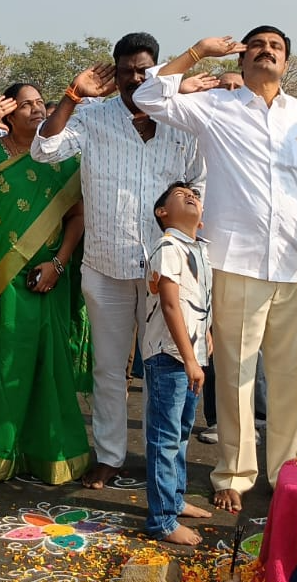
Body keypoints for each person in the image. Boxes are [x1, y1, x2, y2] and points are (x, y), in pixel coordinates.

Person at [134, 27, 297, 514]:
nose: (267, 51)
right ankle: (235, 473)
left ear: (287, 61)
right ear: (242, 57)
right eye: (257, 45)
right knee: (237, 375)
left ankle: (291, 471)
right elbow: (148, 94)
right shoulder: (216, 107)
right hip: (236, 261)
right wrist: (199, 52)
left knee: (293, 377)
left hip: (296, 264)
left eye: (277, 47)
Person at [31, 33, 204, 489]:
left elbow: (199, 185)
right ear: (116, 71)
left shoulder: (181, 121)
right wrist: (72, 96)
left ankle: (162, 463)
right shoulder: (92, 117)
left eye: (144, 69)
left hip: (164, 272)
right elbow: (43, 150)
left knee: (165, 371)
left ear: (157, 70)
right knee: (109, 369)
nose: (135, 78)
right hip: (106, 263)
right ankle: (109, 455)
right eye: (126, 69)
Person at [0, 85, 90, 484]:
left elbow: (77, 217)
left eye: (39, 103)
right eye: (25, 104)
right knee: (5, 357)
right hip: (1, 277)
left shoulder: (64, 159)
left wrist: (59, 263)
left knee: (48, 362)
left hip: (49, 276)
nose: (35, 109)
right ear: (7, 114)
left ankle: (46, 452)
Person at [141, 182, 215, 545]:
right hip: (170, 356)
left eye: (195, 194)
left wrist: (206, 340)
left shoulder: (198, 248)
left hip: (190, 356)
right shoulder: (168, 246)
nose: (191, 195)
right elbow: (170, 304)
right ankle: (162, 520)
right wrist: (189, 358)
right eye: (179, 193)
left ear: (201, 221)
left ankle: (174, 500)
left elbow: (198, 300)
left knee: (181, 434)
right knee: (165, 438)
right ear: (162, 213)